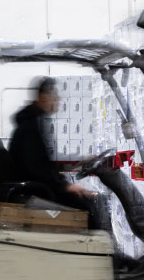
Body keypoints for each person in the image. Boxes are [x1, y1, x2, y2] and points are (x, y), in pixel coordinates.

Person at [9, 77, 93, 213]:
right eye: (54, 96)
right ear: (43, 97)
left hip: (40, 186)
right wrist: (64, 186)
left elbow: (41, 161)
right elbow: (35, 167)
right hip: (38, 190)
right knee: (85, 206)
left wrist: (77, 161)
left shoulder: (35, 121)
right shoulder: (31, 126)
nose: (58, 100)